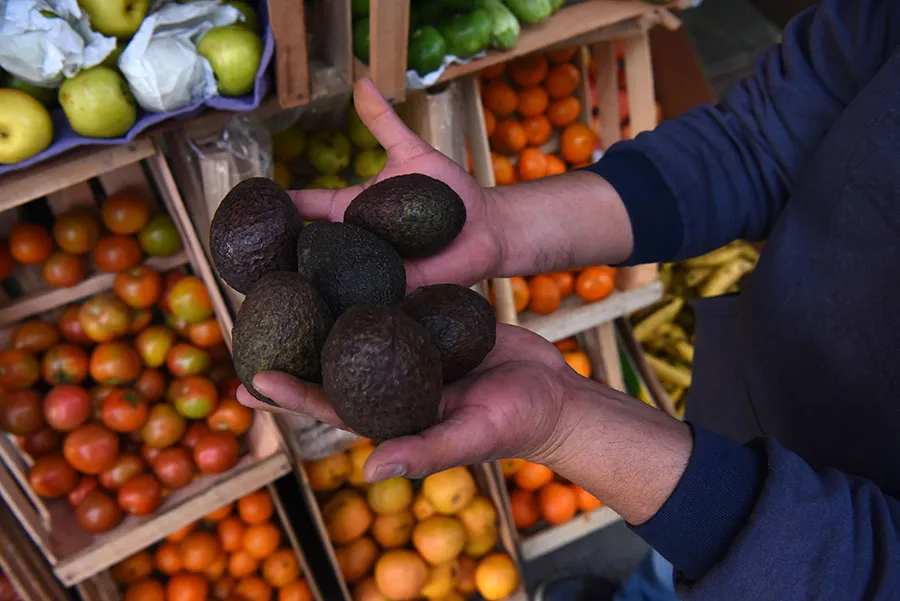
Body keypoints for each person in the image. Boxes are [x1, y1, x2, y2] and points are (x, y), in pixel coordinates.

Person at [236, 0, 900, 598]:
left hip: (804, 563)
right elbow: (761, 140)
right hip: (740, 417)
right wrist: (501, 226)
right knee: (669, 567)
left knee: (711, 554)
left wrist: (571, 424)